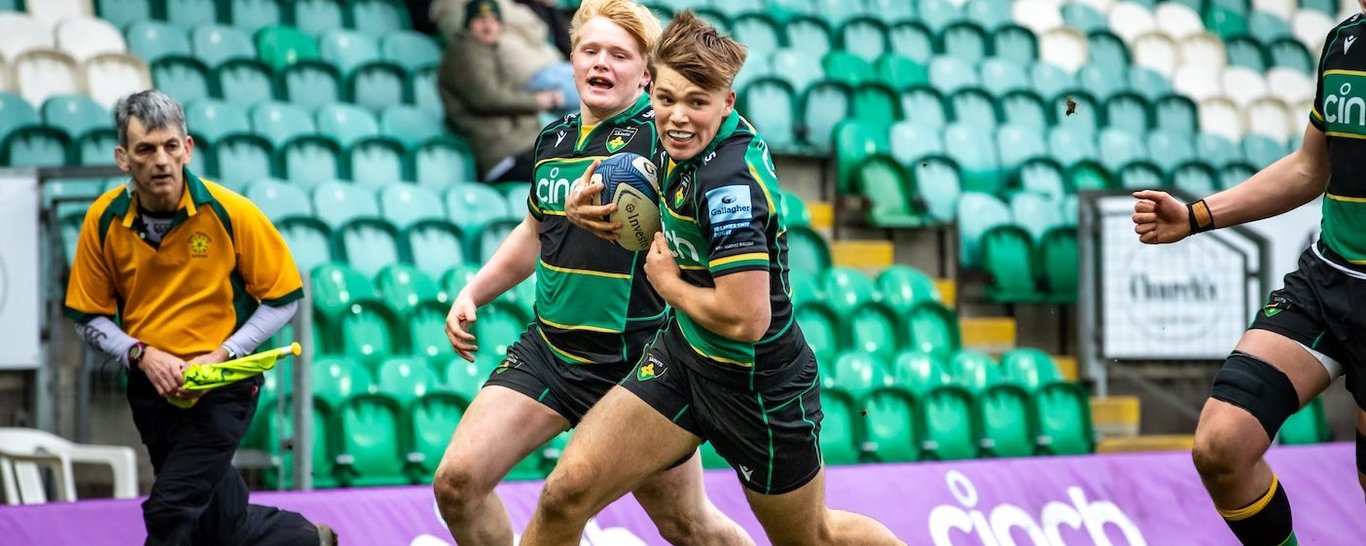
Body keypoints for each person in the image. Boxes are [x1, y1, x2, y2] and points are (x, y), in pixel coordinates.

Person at [522, 12, 904, 545]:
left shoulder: (728, 186)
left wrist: (669, 284)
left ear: (727, 102)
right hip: (682, 359)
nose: (677, 117)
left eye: (696, 102)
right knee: (565, 494)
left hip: (758, 386)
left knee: (813, 536)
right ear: (651, 89)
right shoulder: (665, 138)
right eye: (666, 98)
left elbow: (747, 318)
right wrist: (588, 212)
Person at [431, 2, 751, 545]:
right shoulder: (552, 140)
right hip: (549, 352)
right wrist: (474, 291)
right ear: (572, 57)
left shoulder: (664, 139)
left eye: (620, 55)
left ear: (646, 73)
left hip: (637, 364)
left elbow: (711, 192)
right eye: (591, 50)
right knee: (456, 484)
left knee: (690, 526)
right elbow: (534, 231)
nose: (602, 63)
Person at [1132, 5, 1366, 545]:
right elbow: (1311, 166)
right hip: (1328, 282)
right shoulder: (1343, 43)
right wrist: (1196, 216)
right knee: (1222, 446)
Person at [63, 90, 335, 546]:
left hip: (225, 387)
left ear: (188, 148)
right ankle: (308, 540)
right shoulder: (103, 221)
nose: (161, 160)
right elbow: (87, 316)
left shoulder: (231, 212)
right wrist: (141, 354)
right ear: (123, 158)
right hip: (150, 389)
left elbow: (283, 299)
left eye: (171, 146)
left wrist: (224, 353)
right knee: (220, 523)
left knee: (171, 509)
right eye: (146, 149)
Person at [437, 0, 566, 182]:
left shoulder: (488, 51)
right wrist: (536, 101)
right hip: (504, 155)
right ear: (468, 23)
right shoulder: (464, 51)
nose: (488, 25)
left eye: (494, 20)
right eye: (481, 19)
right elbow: (486, 98)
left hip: (522, 149)